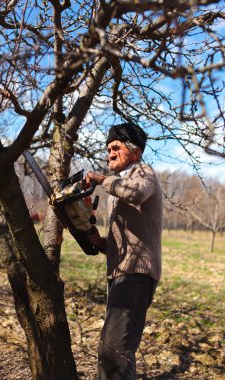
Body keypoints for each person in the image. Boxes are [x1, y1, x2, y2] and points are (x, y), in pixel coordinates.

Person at [85, 122, 163, 380]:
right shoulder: (117, 188)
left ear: (136, 153)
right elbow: (122, 240)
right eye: (108, 148)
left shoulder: (143, 172)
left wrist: (101, 179)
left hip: (137, 273)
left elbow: (138, 193)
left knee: (114, 350)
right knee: (115, 350)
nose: (109, 153)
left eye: (116, 147)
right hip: (121, 274)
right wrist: (100, 241)